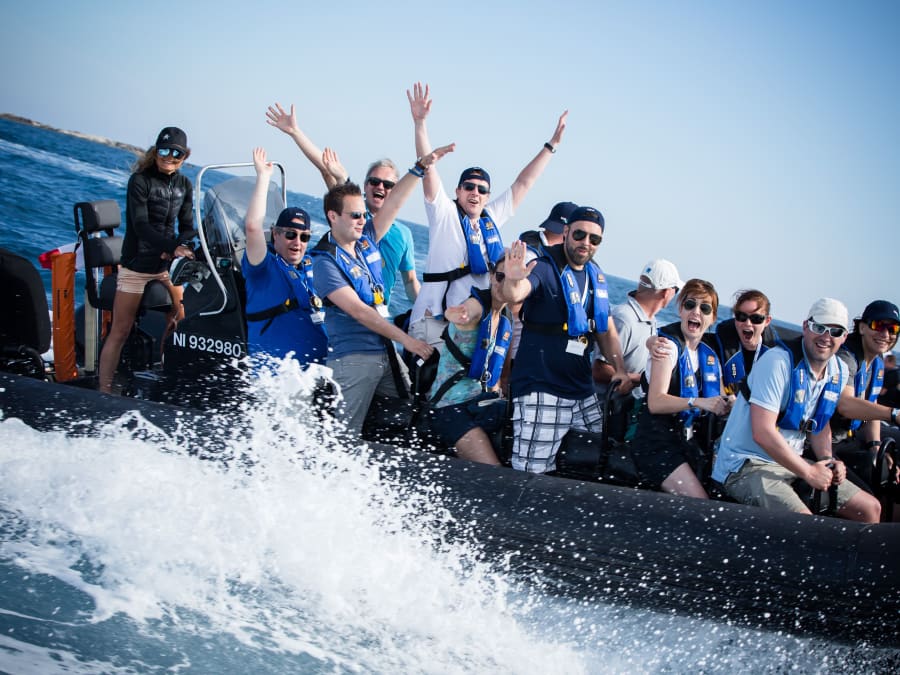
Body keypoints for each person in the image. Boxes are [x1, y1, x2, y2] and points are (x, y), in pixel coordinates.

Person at [407, 82, 568, 344]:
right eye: (468, 187)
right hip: (433, 321)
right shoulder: (444, 214)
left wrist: (551, 146)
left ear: (488, 197)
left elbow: (523, 184)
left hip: (472, 324)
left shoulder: (489, 218)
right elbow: (428, 168)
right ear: (457, 191)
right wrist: (420, 124)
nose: (475, 193)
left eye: (482, 190)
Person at [310, 145, 451, 434]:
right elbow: (361, 312)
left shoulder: (367, 239)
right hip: (354, 358)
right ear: (333, 217)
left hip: (384, 353)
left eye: (363, 215)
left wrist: (419, 167)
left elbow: (394, 203)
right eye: (354, 216)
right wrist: (408, 342)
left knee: (409, 410)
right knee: (343, 436)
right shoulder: (324, 262)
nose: (363, 220)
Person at [712, 298, 881, 522]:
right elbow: (762, 432)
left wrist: (828, 460)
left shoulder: (838, 370)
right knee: (804, 523)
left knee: (871, 508)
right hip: (745, 465)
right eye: (819, 328)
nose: (826, 337)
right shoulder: (777, 362)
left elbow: (819, 425)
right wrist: (809, 472)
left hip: (790, 463)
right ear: (805, 327)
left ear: (844, 338)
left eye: (835, 331)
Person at [499, 208, 631, 474]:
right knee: (530, 472)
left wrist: (620, 369)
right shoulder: (544, 267)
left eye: (594, 239)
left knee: (592, 461)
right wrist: (513, 279)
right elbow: (516, 295)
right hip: (542, 388)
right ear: (567, 232)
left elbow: (604, 329)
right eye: (580, 234)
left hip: (581, 391)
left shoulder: (596, 275)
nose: (586, 243)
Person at [266, 104, 419, 314]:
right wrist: (295, 132)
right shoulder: (349, 211)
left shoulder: (404, 234)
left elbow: (410, 281)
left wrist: (427, 311)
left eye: (388, 184)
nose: (380, 187)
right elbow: (326, 168)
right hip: (336, 310)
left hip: (373, 316)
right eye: (374, 181)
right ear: (365, 185)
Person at [98, 126, 195, 394]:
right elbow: (140, 226)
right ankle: (104, 391)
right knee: (121, 329)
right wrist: (172, 246)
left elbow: (187, 225)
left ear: (185, 156)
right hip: (136, 265)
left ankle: (167, 376)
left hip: (165, 267)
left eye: (176, 153)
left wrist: (182, 245)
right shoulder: (140, 181)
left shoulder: (185, 185)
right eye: (163, 150)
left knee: (181, 320)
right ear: (155, 151)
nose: (169, 156)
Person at [629, 279, 731, 498]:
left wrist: (728, 404)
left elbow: (720, 397)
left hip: (691, 443)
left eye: (704, 308)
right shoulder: (666, 347)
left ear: (712, 318)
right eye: (689, 305)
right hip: (657, 442)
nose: (696, 312)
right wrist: (698, 402)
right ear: (680, 309)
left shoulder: (709, 354)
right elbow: (656, 402)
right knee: (700, 501)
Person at [241, 147, 327, 364]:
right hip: (279, 377)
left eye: (304, 237)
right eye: (290, 234)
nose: (297, 242)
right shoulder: (262, 267)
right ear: (275, 234)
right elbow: (252, 226)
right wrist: (263, 177)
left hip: (320, 371)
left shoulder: (312, 265)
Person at [428, 256, 513, 466]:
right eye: (500, 276)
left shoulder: (505, 320)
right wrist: (460, 314)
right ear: (492, 276)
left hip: (480, 405)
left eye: (511, 280)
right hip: (450, 408)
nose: (503, 284)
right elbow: (470, 311)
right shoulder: (478, 306)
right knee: (494, 471)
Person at [592, 259, 683, 442]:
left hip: (625, 413)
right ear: (666, 292)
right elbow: (598, 369)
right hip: (604, 416)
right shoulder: (624, 318)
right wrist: (637, 378)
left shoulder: (651, 321)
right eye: (676, 290)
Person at [830, 300, 900, 489]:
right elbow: (845, 405)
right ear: (862, 328)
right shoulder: (846, 358)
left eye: (892, 329)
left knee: (889, 475)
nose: (885, 334)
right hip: (827, 442)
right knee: (870, 497)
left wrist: (875, 447)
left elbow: (872, 407)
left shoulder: (877, 362)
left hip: (851, 438)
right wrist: (893, 414)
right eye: (878, 326)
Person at [714, 289, 784, 395]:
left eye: (756, 318)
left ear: (767, 321)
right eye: (741, 316)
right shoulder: (718, 343)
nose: (748, 323)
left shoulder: (777, 356)